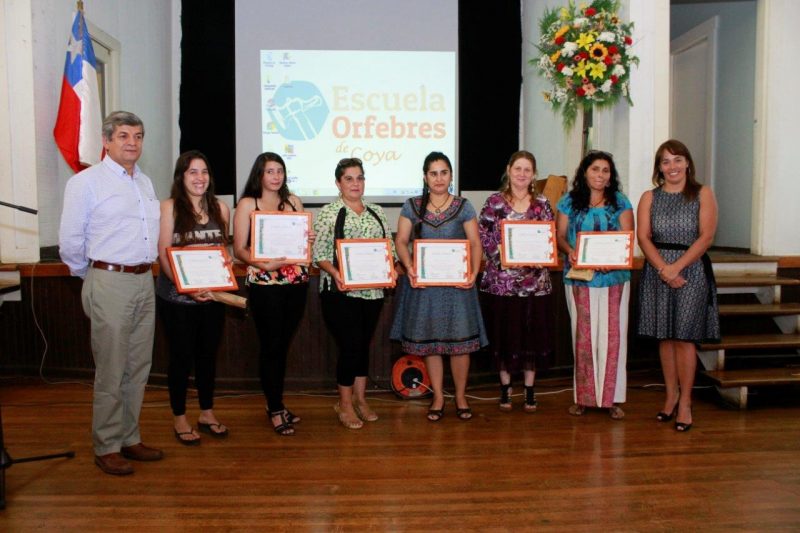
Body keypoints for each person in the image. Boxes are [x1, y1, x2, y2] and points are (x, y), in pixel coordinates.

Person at [59, 111, 163, 475]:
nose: (132, 142)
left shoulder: (145, 183)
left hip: (143, 281)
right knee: (111, 368)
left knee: (138, 367)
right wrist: (91, 276)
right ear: (106, 141)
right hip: (109, 280)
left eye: (137, 135)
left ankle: (129, 437)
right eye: (123, 136)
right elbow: (71, 240)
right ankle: (106, 445)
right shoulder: (86, 183)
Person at [390, 152, 487, 422]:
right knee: (431, 343)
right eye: (433, 173)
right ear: (425, 177)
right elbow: (401, 241)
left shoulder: (464, 206)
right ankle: (438, 397)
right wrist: (409, 266)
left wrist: (474, 272)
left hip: (458, 286)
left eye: (444, 172)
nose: (439, 178)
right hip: (425, 287)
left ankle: (460, 396)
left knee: (461, 343)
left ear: (451, 176)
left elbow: (476, 243)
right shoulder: (412, 206)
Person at [637, 139, 720, 432]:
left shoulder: (702, 193)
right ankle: (670, 396)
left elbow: (706, 237)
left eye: (677, 160)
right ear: (659, 168)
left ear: (687, 163)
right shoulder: (649, 197)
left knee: (685, 338)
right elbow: (643, 238)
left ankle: (686, 402)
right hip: (658, 271)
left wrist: (676, 267)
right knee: (665, 337)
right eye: (665, 161)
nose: (671, 166)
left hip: (691, 272)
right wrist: (663, 268)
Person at [233, 152, 314, 436]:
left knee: (282, 346)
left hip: (296, 283)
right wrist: (263, 264)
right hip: (265, 283)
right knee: (271, 346)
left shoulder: (294, 202)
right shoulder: (247, 204)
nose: (276, 176)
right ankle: (276, 407)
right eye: (270, 171)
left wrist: (308, 240)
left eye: (280, 170)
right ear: (260, 174)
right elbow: (239, 249)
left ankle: (275, 403)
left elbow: (304, 247)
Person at [313, 158, 397, 430]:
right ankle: (345, 404)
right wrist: (336, 272)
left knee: (363, 345)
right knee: (350, 346)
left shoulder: (377, 211)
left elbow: (390, 249)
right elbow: (319, 255)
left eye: (359, 178)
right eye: (348, 178)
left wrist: (392, 270)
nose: (355, 183)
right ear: (338, 183)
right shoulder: (329, 212)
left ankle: (361, 400)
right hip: (340, 292)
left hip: (372, 292)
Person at [156, 151, 230, 445]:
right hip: (176, 299)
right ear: (181, 177)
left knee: (208, 357)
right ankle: (179, 417)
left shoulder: (222, 209)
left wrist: (216, 284)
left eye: (204, 172)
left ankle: (207, 413)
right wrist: (187, 287)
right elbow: (163, 253)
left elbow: (223, 253)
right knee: (181, 359)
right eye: (192, 172)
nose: (200, 178)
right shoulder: (170, 208)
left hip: (212, 298)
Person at [556, 150, 634, 420]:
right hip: (579, 277)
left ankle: (612, 399)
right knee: (583, 337)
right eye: (595, 169)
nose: (600, 175)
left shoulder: (621, 202)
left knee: (613, 338)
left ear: (611, 176)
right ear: (584, 172)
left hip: (614, 278)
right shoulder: (569, 201)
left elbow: (627, 238)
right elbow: (560, 237)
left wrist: (611, 260)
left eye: (605, 170)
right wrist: (571, 251)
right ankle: (584, 398)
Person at [478, 151, 554, 412]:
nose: (522, 174)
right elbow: (484, 238)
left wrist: (537, 255)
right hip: (502, 285)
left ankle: (530, 390)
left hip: (535, 285)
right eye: (518, 168)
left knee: (531, 337)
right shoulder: (494, 203)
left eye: (527, 169)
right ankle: (505, 388)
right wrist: (504, 254)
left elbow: (549, 239)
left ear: (533, 174)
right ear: (509, 170)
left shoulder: (542, 204)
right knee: (504, 336)